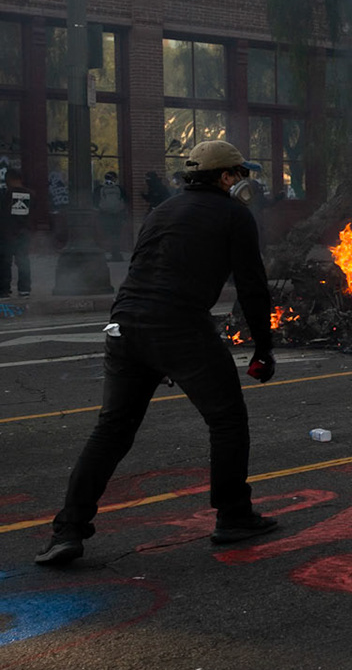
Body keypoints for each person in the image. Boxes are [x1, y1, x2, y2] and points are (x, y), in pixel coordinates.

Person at [35, 140, 281, 566]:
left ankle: (68, 531)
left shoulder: (160, 212)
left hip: (125, 326)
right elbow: (253, 287)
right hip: (181, 328)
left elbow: (140, 269)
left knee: (111, 431)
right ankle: (233, 515)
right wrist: (263, 346)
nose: (246, 183)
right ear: (225, 178)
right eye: (241, 174)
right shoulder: (235, 215)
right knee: (226, 420)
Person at [1, 164, 31, 299]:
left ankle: (4, 289)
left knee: (5, 262)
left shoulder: (6, 195)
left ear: (9, 179)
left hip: (7, 234)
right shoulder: (31, 195)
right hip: (24, 233)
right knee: (23, 261)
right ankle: (24, 289)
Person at [95, 170, 129, 260]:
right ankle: (116, 254)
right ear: (115, 178)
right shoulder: (119, 189)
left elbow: (95, 202)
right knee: (116, 235)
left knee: (108, 235)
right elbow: (126, 201)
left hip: (105, 215)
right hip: (118, 215)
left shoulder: (99, 188)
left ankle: (109, 253)